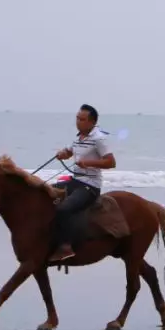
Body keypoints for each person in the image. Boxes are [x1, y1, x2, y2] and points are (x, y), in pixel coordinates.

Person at [48, 104, 116, 263]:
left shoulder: (99, 138)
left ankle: (66, 247)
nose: (78, 122)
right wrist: (62, 154)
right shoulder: (79, 137)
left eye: (82, 119)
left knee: (64, 209)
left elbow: (111, 162)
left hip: (90, 186)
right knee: (44, 194)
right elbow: (69, 152)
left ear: (92, 122)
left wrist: (89, 163)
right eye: (77, 118)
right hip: (75, 181)